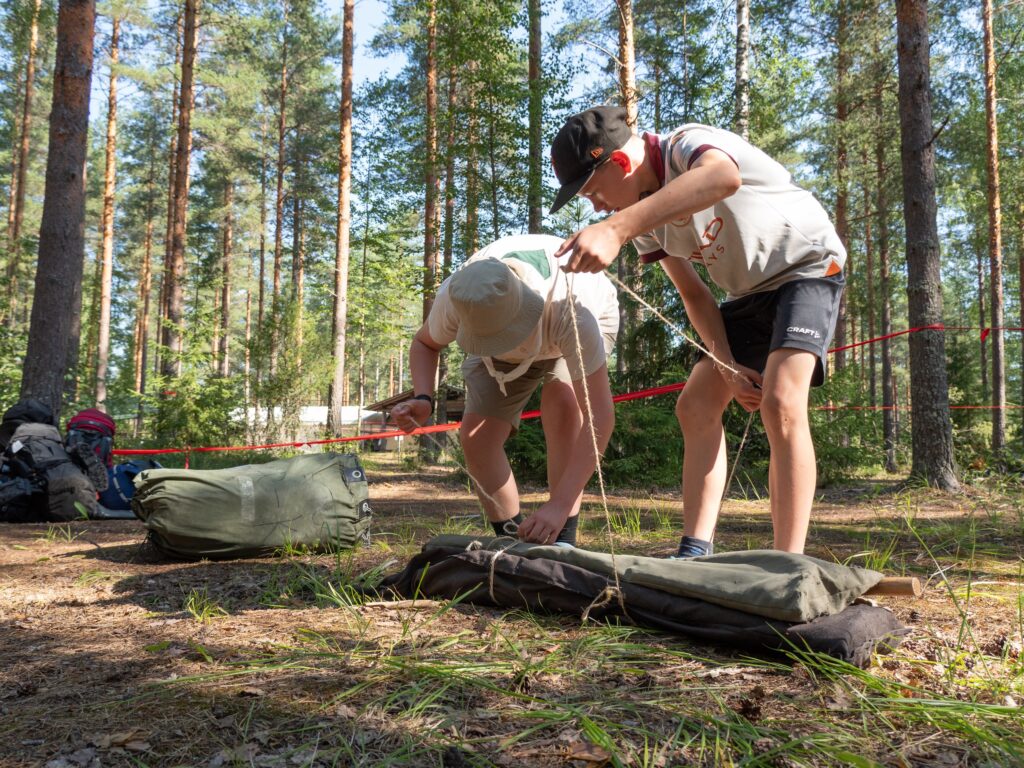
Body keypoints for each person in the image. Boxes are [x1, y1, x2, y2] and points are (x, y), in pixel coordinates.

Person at [549, 105, 846, 557]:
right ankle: (695, 549)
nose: (596, 205)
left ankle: (788, 564)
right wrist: (726, 365)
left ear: (620, 162)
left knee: (782, 401)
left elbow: (721, 178)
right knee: (696, 405)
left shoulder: (686, 144)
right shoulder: (644, 222)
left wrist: (613, 228)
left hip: (807, 269)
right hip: (747, 293)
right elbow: (695, 295)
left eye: (592, 192)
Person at [391, 233, 618, 547]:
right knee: (476, 436)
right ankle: (515, 544)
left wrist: (559, 506)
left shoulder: (572, 309)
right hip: (507, 347)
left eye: (504, 336)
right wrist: (423, 398)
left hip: (574, 320)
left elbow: (600, 417)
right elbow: (424, 343)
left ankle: (563, 540)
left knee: (563, 405)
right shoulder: (460, 296)